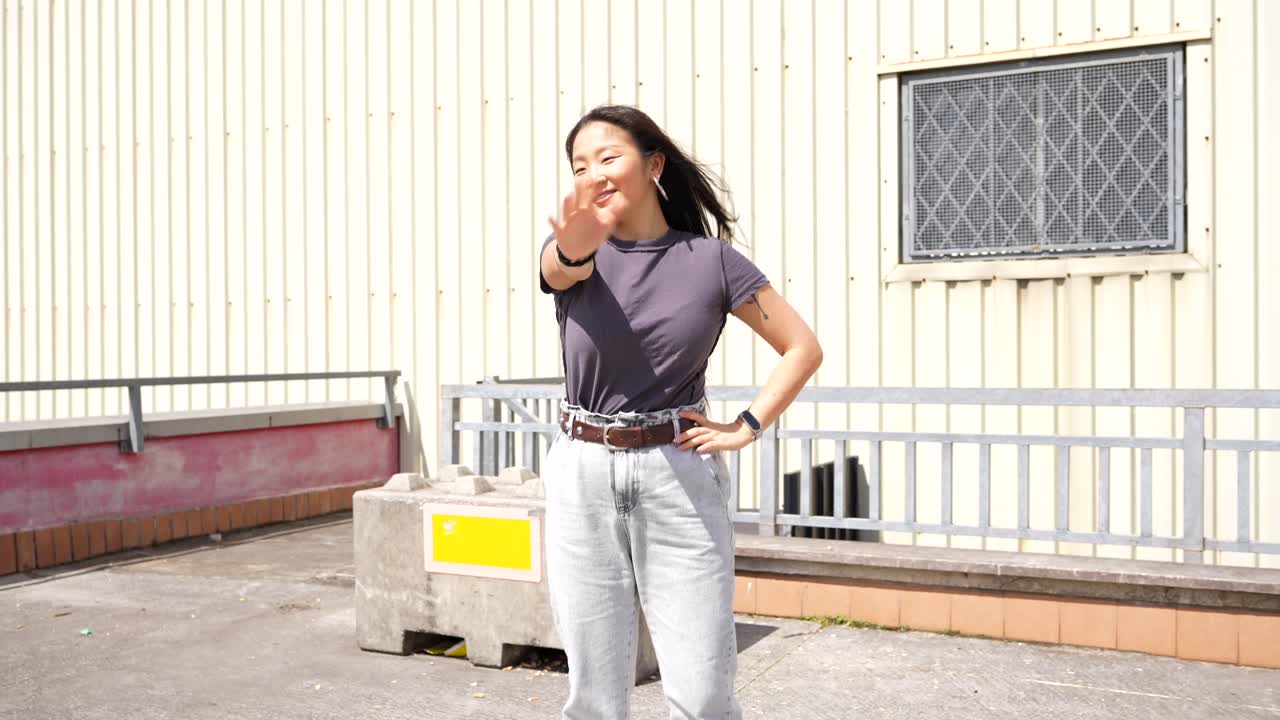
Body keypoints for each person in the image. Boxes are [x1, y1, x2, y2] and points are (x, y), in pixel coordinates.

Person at [539, 104, 823, 719]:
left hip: (678, 474)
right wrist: (570, 248)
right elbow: (559, 271)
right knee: (592, 694)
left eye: (608, 157)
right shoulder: (574, 252)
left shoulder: (711, 261)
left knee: (702, 694)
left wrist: (746, 426)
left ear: (654, 163)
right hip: (582, 474)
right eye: (580, 165)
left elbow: (802, 348)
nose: (595, 173)